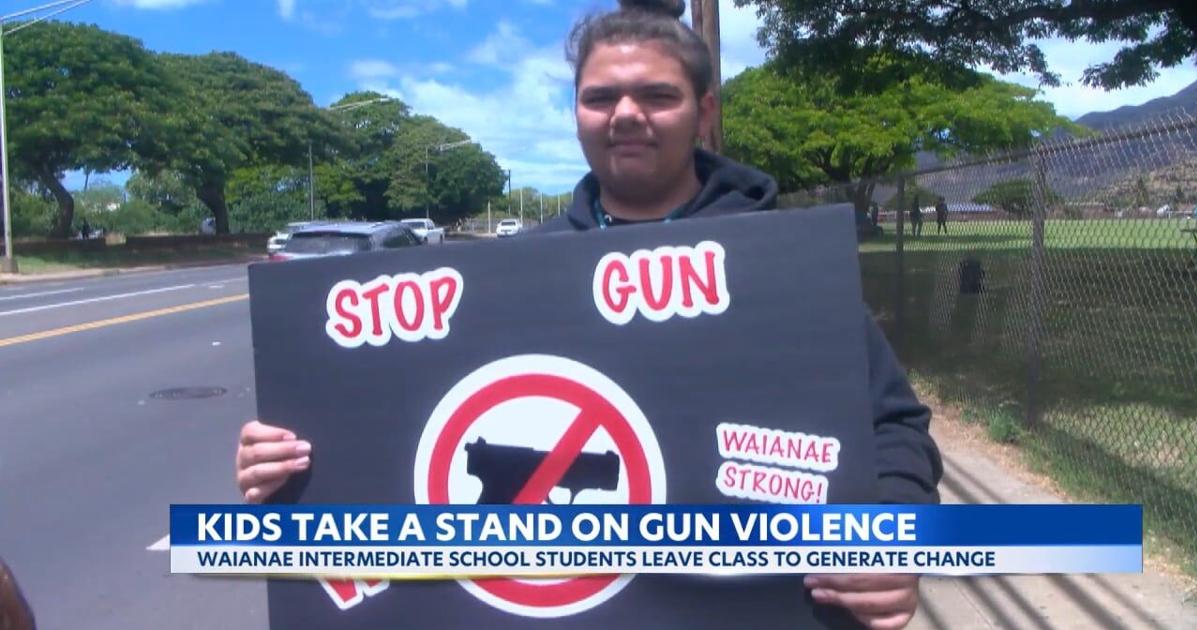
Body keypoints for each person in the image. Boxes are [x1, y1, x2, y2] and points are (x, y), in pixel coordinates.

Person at [237, 1, 942, 628]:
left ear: (705, 111)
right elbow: (389, 427)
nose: (626, 114)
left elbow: (893, 427)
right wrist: (289, 469)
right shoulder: (513, 276)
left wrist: (897, 534)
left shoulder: (781, 266)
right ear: (577, 112)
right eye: (601, 97)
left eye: (657, 95)